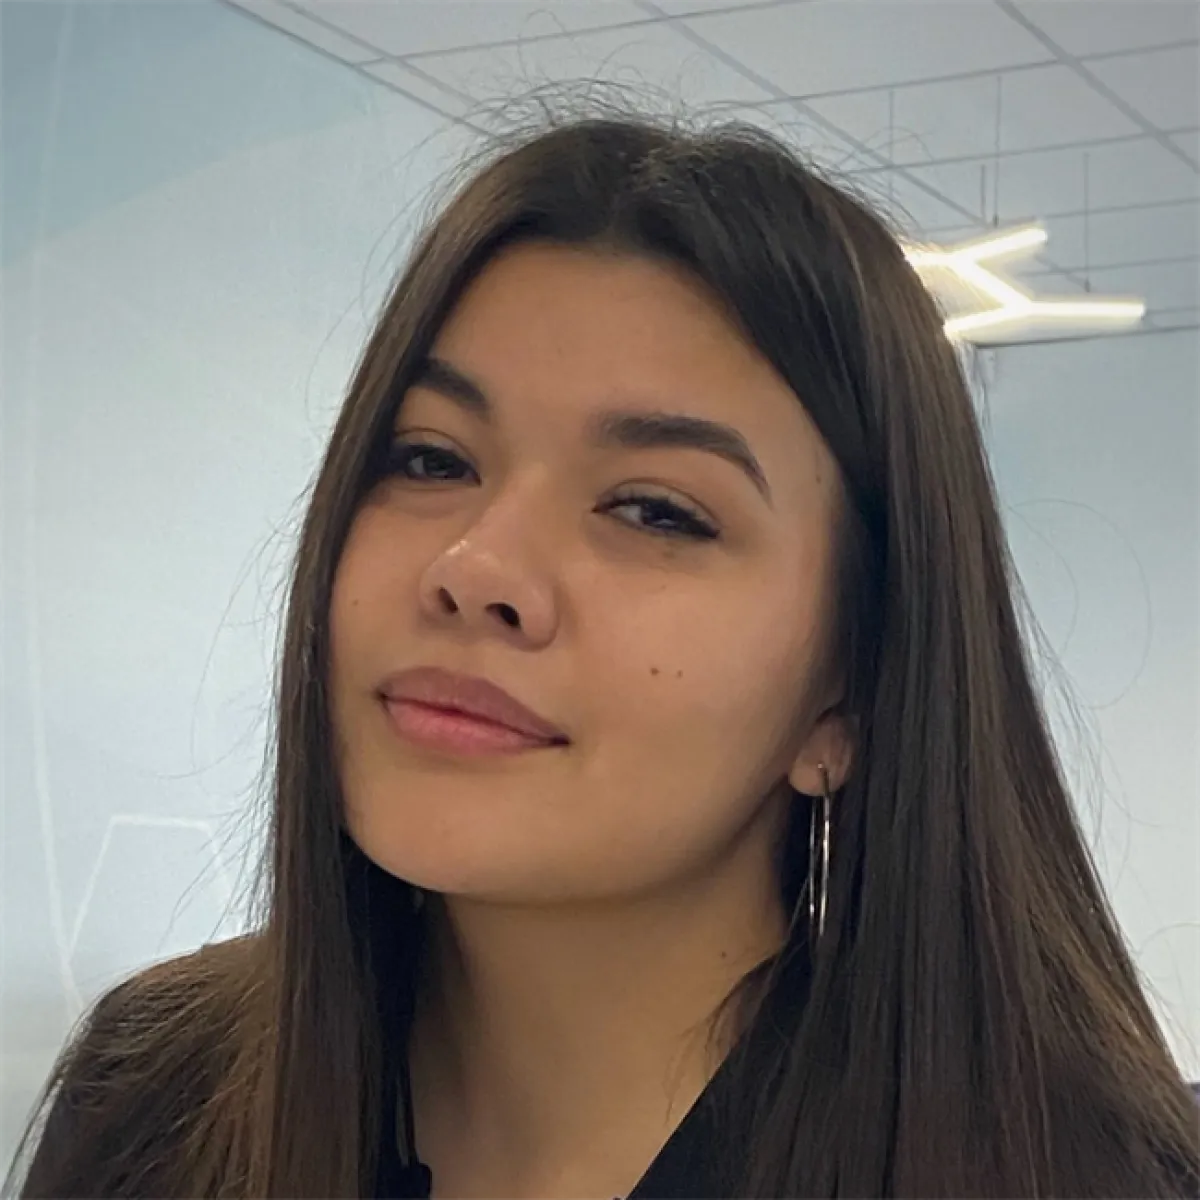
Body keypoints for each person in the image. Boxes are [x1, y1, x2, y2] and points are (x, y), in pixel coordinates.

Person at [7, 105, 1200, 1200]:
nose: (477, 566)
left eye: (655, 511)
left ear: (847, 695)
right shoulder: (154, 1098)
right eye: (430, 459)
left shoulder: (1077, 1172)